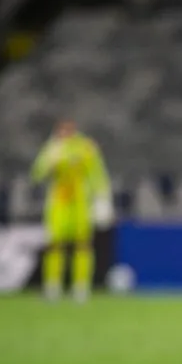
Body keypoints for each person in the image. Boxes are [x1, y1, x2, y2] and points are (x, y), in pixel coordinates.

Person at [30, 119, 112, 301]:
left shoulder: (85, 148)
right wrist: (49, 162)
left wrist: (102, 199)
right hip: (58, 204)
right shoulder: (52, 148)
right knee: (54, 245)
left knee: (83, 245)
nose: (64, 134)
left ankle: (81, 287)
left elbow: (97, 173)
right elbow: (37, 174)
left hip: (80, 203)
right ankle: (53, 286)